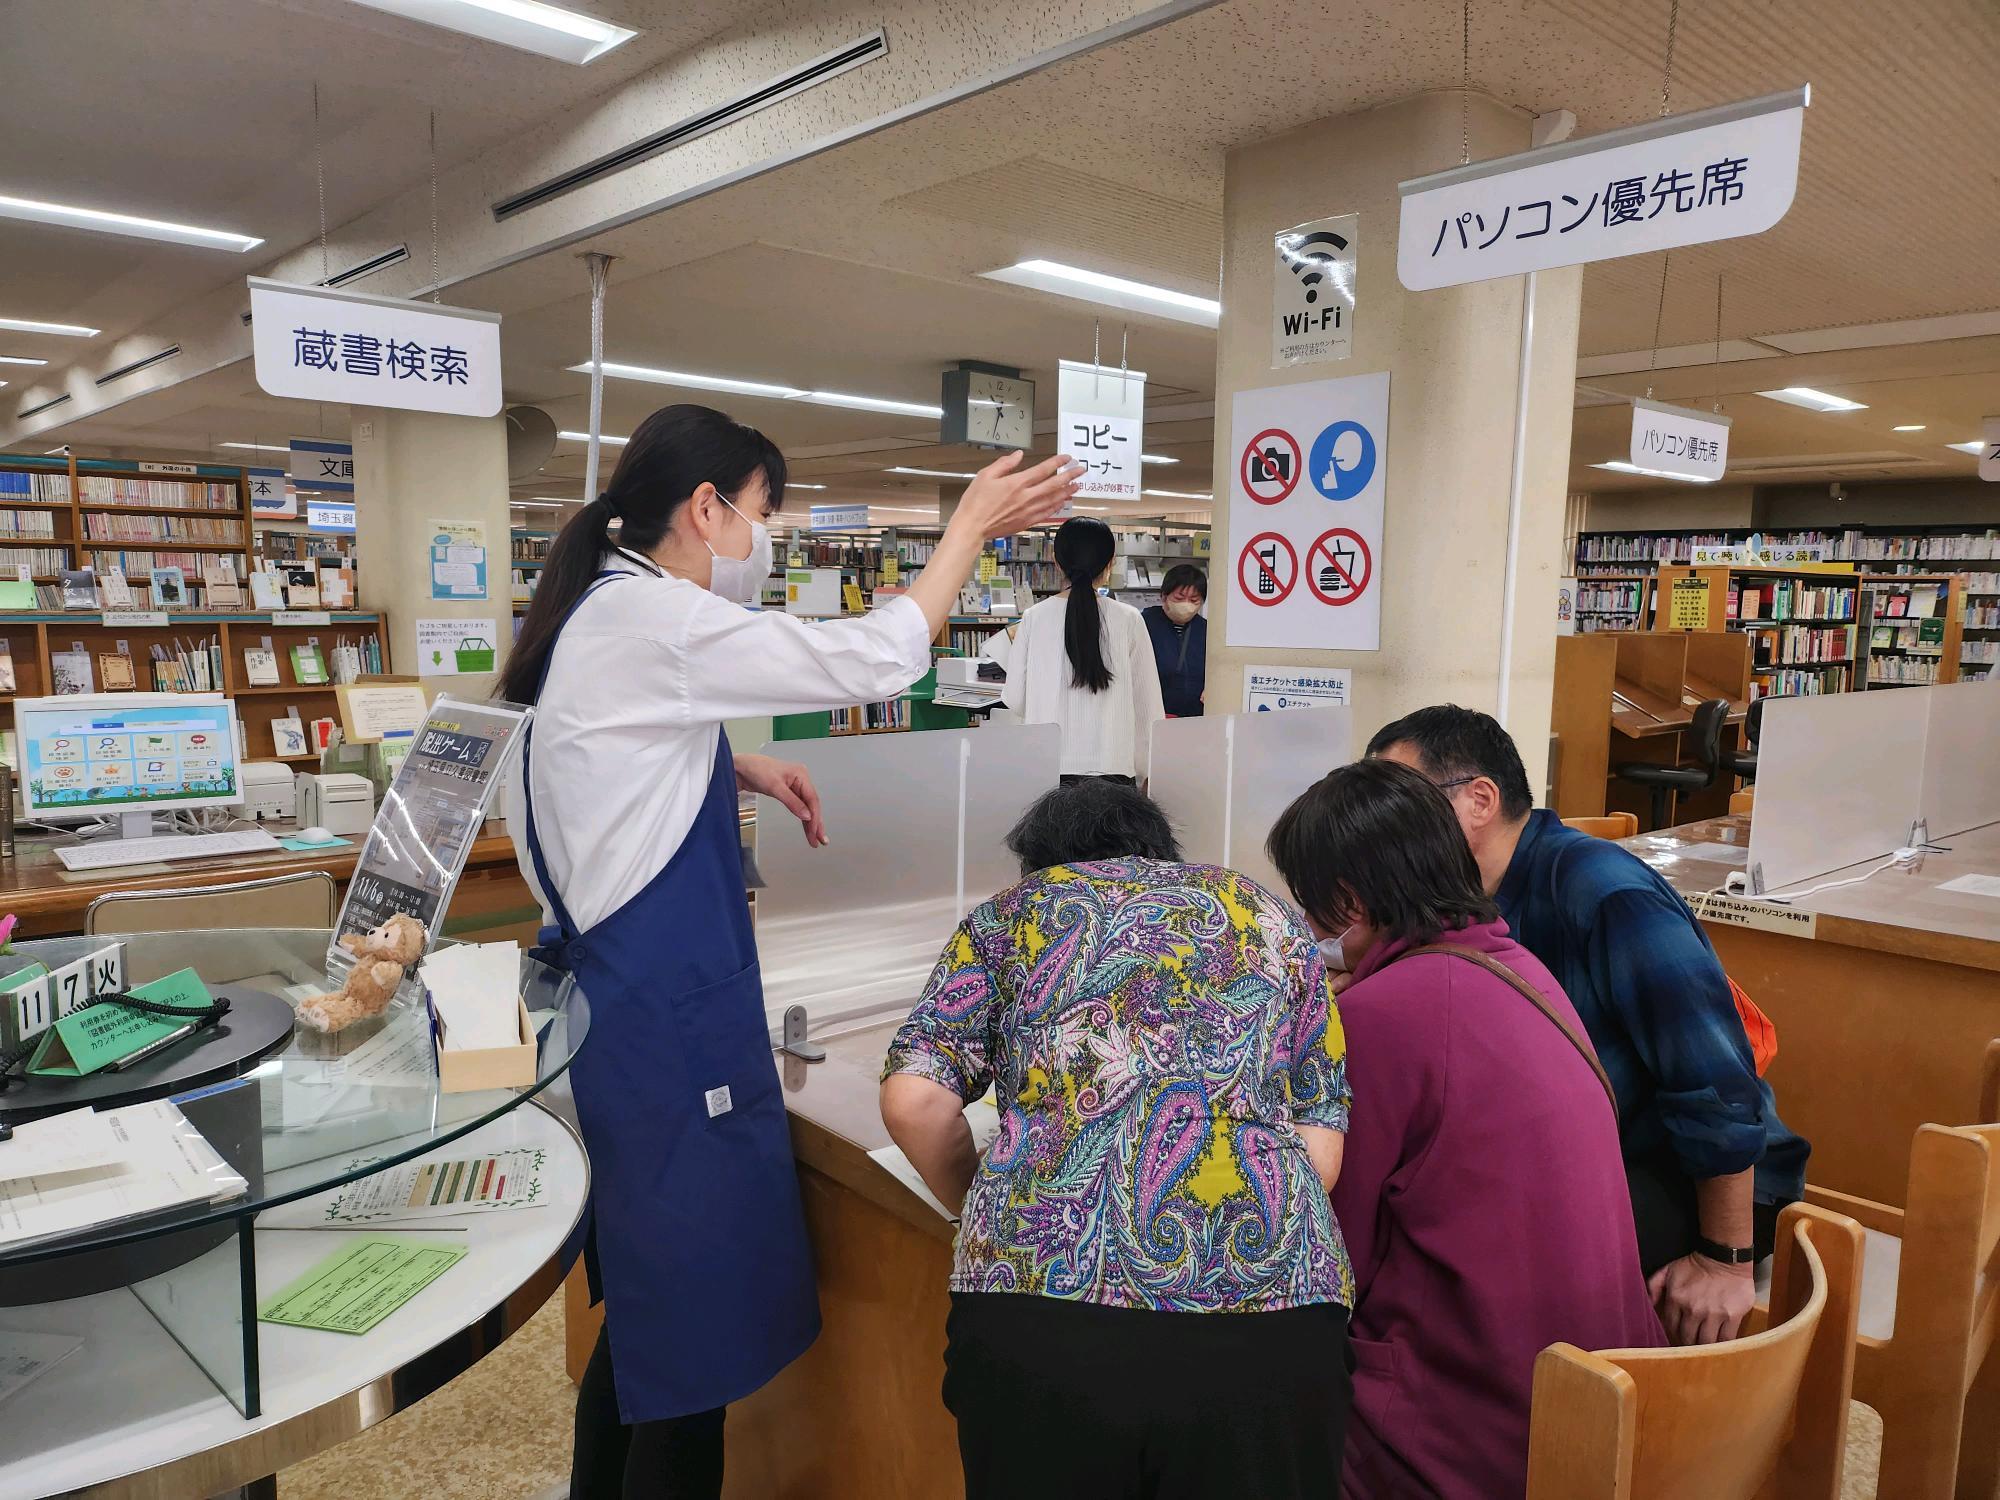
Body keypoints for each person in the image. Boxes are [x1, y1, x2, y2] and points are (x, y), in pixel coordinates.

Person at [499, 403, 1078, 1499]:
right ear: (706, 507)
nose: (767, 537)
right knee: (694, 1347)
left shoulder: (608, 611)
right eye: (764, 511)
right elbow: (870, 659)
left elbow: (598, 764)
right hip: (668, 1037)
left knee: (649, 1331)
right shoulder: (657, 620)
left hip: (627, 1021)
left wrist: (729, 768)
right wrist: (967, 532)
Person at [880, 779, 1354, 1500]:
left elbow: (915, 1100)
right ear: (1162, 853)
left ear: (1042, 864)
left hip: (1039, 1317)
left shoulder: (1013, 915)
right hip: (1272, 1315)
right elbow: (1320, 1146)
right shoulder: (1269, 917)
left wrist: (989, 1206)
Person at [1266, 759, 1663, 1498]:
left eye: (1312, 910)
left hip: (1475, 1435)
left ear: (1348, 901)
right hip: (1609, 1403)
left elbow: (1326, 1260)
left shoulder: (1380, 1019)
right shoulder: (1522, 969)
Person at [1366, 705, 1810, 1347]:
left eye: (1398, 803)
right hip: (1573, 1155)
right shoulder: (1457, 895)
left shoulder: (1605, 892)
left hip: (1680, 1168)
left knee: (1474, 1271)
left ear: (1479, 801)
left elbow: (1716, 1084)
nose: (1383, 829)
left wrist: (1724, 1258)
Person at [1002, 516, 1165, 783]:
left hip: (1048, 771)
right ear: (1110, 563)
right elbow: (1148, 709)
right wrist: (1144, 771)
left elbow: (1016, 698)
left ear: (1056, 561)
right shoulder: (1129, 618)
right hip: (1114, 770)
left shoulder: (1034, 617)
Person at [1141, 563, 1208, 716]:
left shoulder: (1205, 630)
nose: (1186, 604)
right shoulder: (1143, 624)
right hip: (1153, 714)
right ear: (1164, 596)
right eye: (1179, 598)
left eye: (1194, 600)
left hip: (1194, 718)